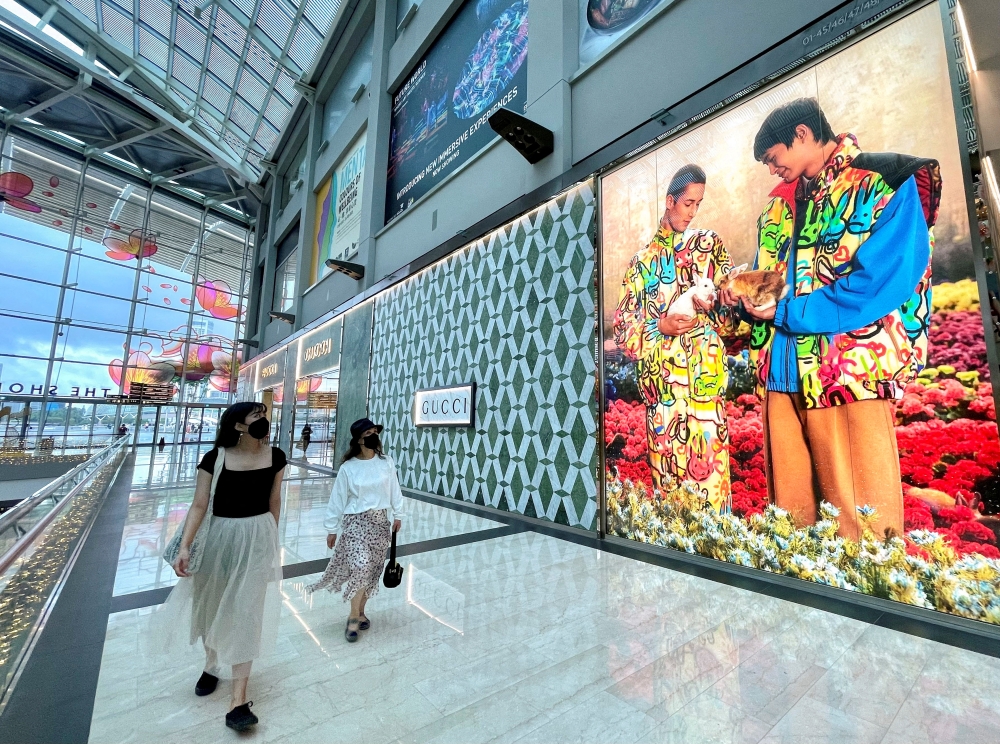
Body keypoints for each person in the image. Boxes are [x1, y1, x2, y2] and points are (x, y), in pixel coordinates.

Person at [726, 97, 940, 540]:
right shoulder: (777, 208)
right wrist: (738, 294)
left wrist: (784, 309)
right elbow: (770, 282)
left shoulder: (883, 181)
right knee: (790, 527)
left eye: (773, 158)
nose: (771, 169)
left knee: (861, 528)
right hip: (779, 384)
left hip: (845, 381)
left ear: (802, 134)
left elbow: (879, 284)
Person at [613, 164, 737, 513]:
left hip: (705, 394)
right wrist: (659, 327)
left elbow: (728, 324)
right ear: (670, 201)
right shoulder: (641, 264)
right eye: (687, 203)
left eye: (698, 204)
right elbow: (624, 331)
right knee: (669, 504)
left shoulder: (709, 247)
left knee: (712, 500)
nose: (693, 211)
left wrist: (724, 305)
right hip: (664, 400)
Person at [161, 402, 286, 731]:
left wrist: (272, 541)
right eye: (256, 417)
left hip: (257, 536)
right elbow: (199, 504)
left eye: (264, 416)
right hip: (218, 538)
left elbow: (275, 500)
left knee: (247, 611)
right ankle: (211, 663)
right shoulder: (214, 459)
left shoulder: (276, 457)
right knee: (211, 604)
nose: (264, 422)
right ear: (238, 426)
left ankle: (238, 700)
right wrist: (185, 546)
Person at [308, 418, 404, 642]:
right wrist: (331, 528)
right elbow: (338, 498)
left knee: (372, 571)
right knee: (360, 566)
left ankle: (361, 612)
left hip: (380, 523)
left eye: (374, 431)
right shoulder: (348, 468)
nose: (373, 435)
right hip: (355, 524)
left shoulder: (386, 462)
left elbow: (394, 489)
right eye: (368, 432)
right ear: (359, 439)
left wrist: (399, 514)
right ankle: (353, 617)